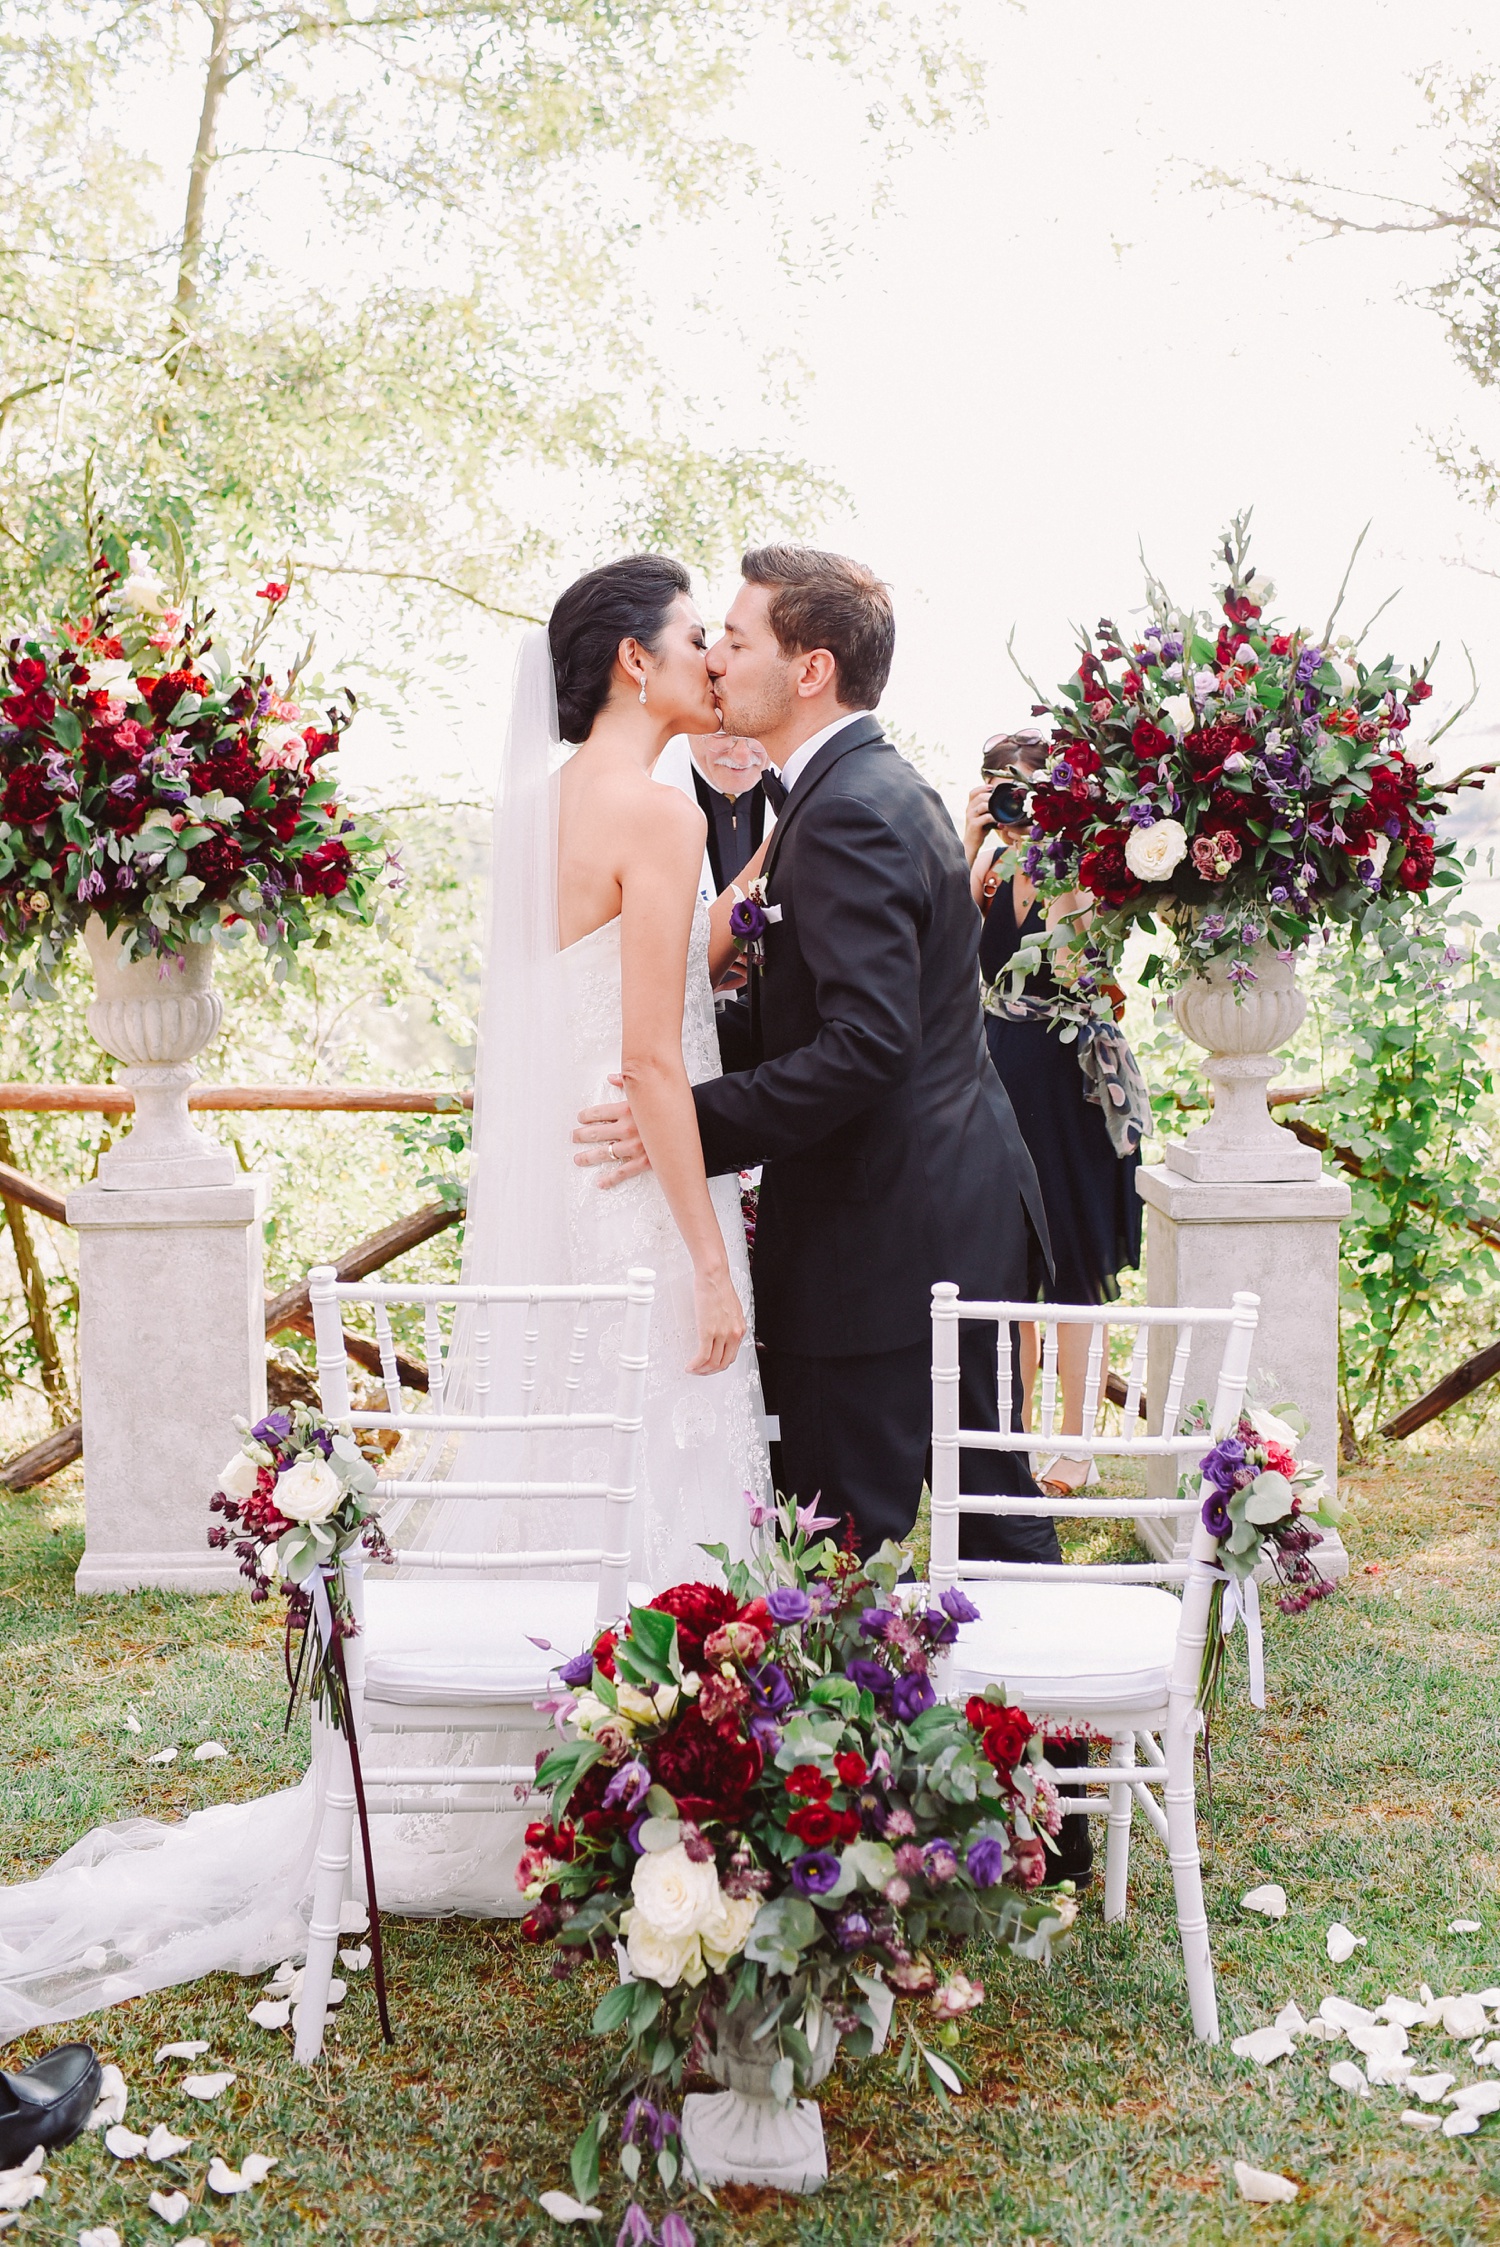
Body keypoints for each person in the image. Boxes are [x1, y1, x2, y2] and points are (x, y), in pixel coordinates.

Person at [0, 557, 775, 2039]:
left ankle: (519, 1780)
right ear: (631, 660)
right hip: (638, 1194)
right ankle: (655, 1791)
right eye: (693, 639)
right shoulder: (663, 805)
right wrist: (707, 1250)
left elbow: (620, 972)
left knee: (554, 1468)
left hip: (559, 1192)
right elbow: (658, 1058)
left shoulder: (553, 806)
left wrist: (740, 913)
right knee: (655, 1460)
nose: (714, 660)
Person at [574, 545, 1059, 1567]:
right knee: (981, 1515)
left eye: (736, 641)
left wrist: (685, 1126)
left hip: (886, 1243)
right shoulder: (856, 789)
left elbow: (867, 1048)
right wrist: (675, 1066)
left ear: (810, 669)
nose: (714, 662)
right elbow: (823, 1017)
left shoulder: (845, 810)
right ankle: (1040, 1721)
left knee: (849, 1548)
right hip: (937, 1215)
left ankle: (1031, 1722)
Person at [965, 730, 1148, 1493]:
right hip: (995, 1076)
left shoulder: (1086, 869)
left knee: (1072, 1270)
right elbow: (938, 948)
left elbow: (1079, 967)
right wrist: (965, 838)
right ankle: (1010, 1439)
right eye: (1000, 789)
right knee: (1008, 1272)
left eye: (1025, 791)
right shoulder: (982, 862)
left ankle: (1074, 1443)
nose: (1015, 808)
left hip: (1069, 1084)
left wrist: (1061, 849)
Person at [653, 732, 781, 1071]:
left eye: (757, 740)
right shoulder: (649, 793)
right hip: (678, 1046)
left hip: (779, 1050)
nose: (742, 757)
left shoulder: (796, 790)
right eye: (723, 737)